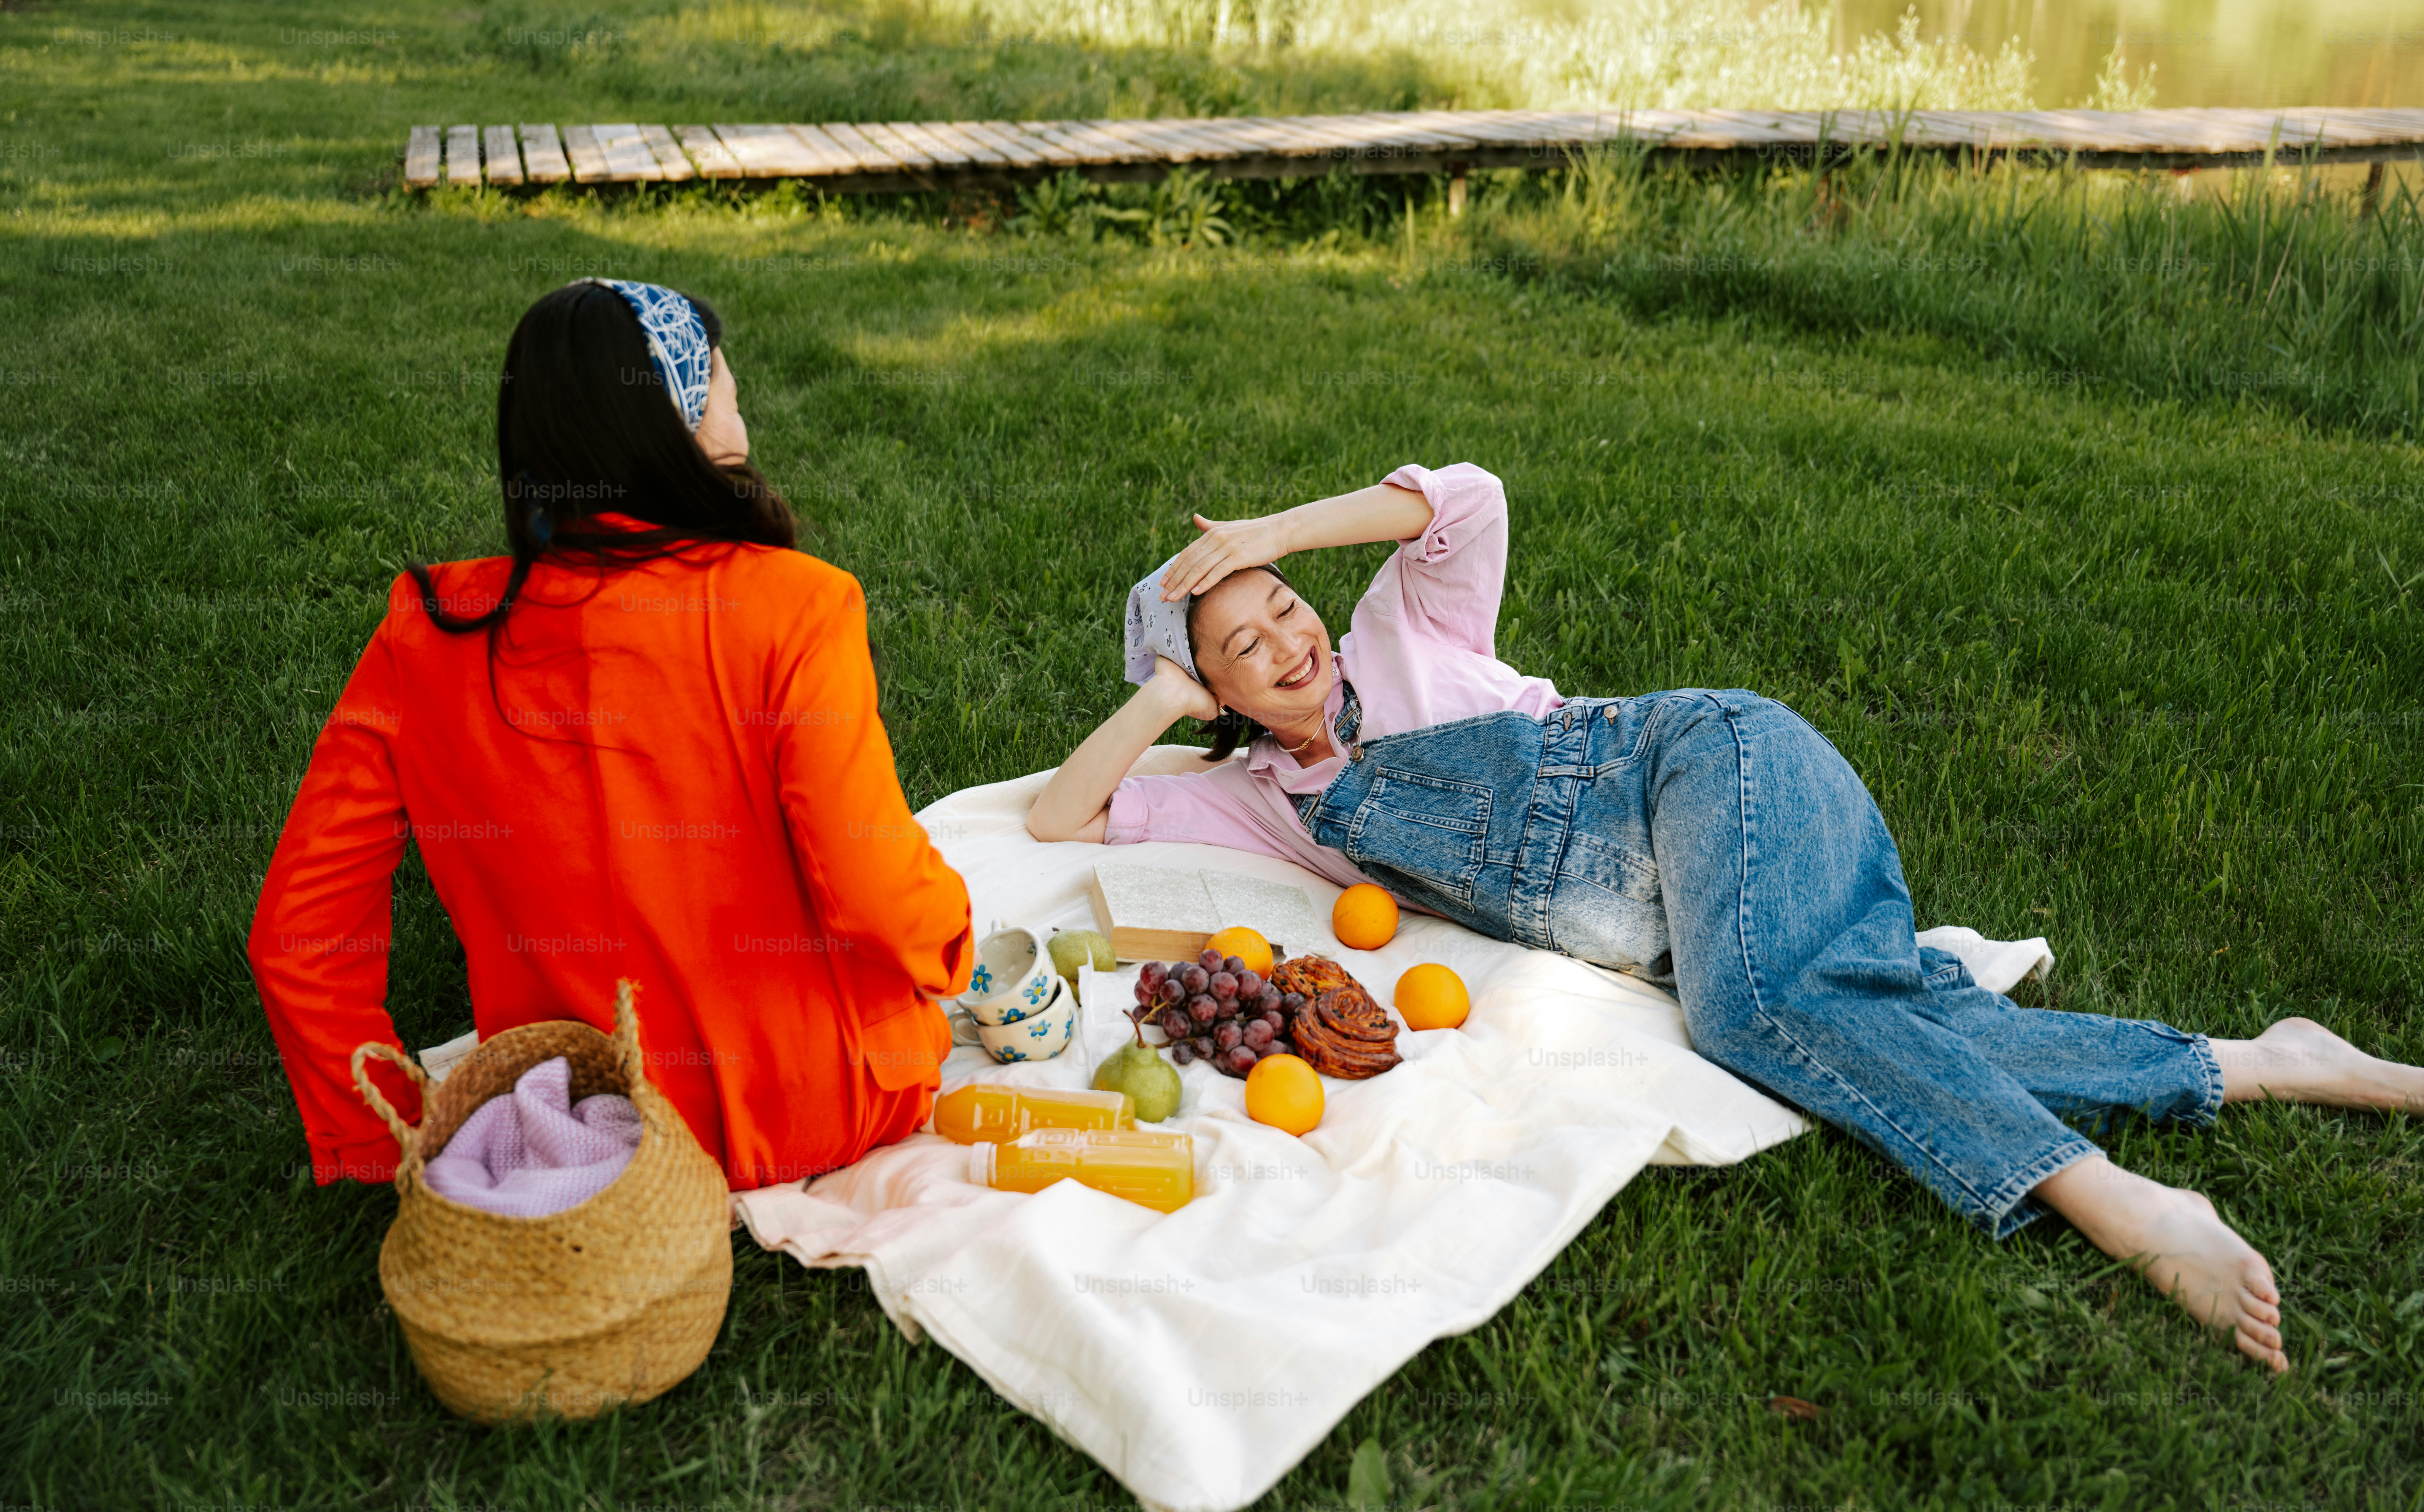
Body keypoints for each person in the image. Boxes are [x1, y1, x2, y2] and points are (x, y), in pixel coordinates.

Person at [1030, 461, 2424, 1372]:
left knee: (1751, 1014)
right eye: (1242, 651)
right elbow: (1063, 819)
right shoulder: (1267, 799)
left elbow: (1464, 494)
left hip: (1712, 765)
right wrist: (1163, 691)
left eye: (1284, 607)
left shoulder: (1409, 634)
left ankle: (2104, 1197)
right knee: (1859, 1007)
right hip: (1697, 904)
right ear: (1218, 696)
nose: (1287, 643)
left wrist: (1276, 530)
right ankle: (2253, 1060)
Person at [250, 280, 972, 1195]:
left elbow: (298, 931)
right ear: (683, 415)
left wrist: (381, 1138)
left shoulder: (429, 630)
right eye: (719, 376)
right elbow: (874, 890)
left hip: (571, 1118)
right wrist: (952, 937)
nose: (736, 392)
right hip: (812, 1105)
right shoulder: (800, 602)